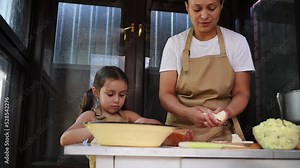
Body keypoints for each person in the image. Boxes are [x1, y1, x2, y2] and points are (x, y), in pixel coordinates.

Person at [159, 0, 255, 142]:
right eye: (197, 9)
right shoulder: (174, 44)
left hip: (221, 133)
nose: (204, 16)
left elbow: (242, 92)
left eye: (212, 8)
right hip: (180, 134)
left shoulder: (237, 42)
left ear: (221, 5)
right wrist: (187, 113)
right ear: (187, 7)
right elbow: (165, 94)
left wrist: (227, 112)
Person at [60, 66, 161, 146]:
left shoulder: (128, 116)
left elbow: (160, 129)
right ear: (96, 92)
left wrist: (143, 122)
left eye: (122, 95)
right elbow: (65, 139)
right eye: (110, 94)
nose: (117, 100)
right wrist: (100, 131)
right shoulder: (90, 116)